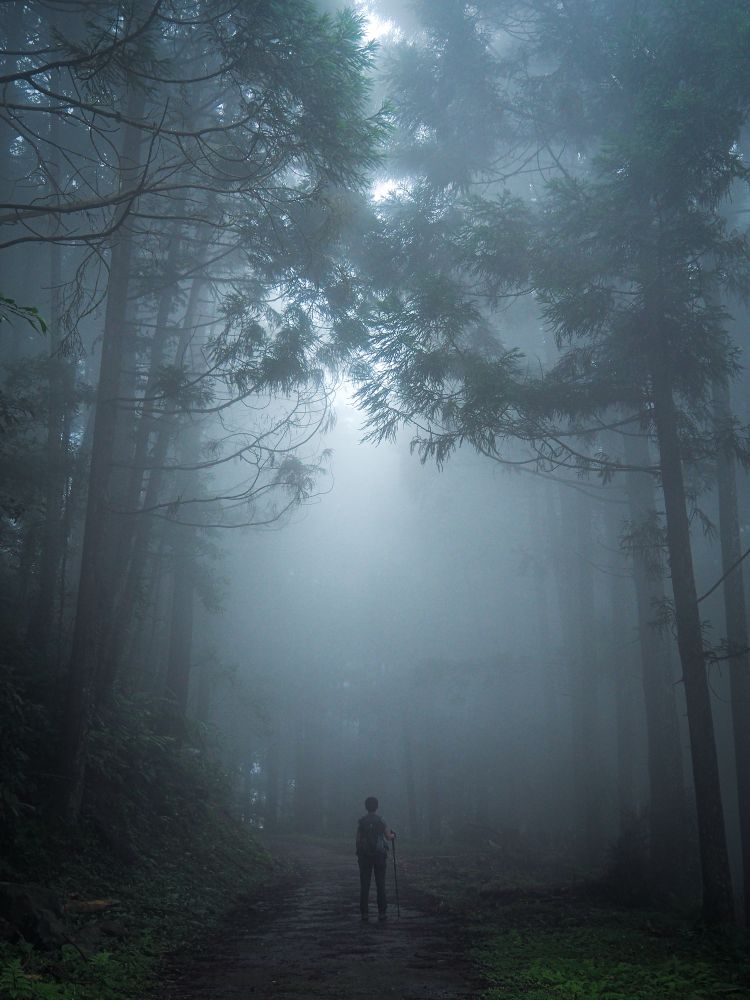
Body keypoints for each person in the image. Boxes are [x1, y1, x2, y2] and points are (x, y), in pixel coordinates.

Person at [356, 796, 395, 922]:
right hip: (379, 856)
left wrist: (359, 854)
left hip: (365, 857)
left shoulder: (362, 822)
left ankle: (364, 913)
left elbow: (358, 840)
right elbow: (388, 837)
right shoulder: (381, 821)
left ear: (366, 807)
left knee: (365, 885)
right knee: (380, 884)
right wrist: (393, 835)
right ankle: (382, 913)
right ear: (377, 807)